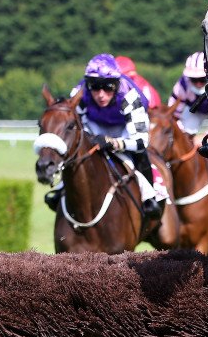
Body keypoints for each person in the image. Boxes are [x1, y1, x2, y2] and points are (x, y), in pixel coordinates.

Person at [44, 54, 162, 219]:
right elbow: (75, 127)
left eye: (108, 87)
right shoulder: (79, 93)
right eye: (95, 87)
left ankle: (150, 196)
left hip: (125, 128)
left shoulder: (130, 96)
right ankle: (61, 187)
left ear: (117, 84)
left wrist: (114, 143)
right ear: (88, 84)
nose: (101, 94)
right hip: (95, 125)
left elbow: (141, 142)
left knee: (139, 154)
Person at [168, 52, 208, 160]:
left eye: (202, 79)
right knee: (186, 137)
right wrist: (183, 133)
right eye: (194, 79)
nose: (198, 84)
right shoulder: (182, 85)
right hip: (194, 113)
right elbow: (173, 115)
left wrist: (205, 135)